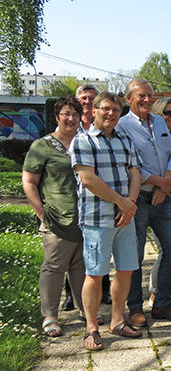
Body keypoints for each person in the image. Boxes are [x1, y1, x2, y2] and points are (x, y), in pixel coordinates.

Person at [69, 91, 142, 351]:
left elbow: (135, 174)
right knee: (95, 274)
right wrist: (122, 202)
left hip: (125, 218)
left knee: (126, 270)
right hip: (97, 219)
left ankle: (117, 321)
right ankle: (92, 327)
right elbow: (88, 179)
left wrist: (130, 204)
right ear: (94, 110)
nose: (111, 114)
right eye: (106, 109)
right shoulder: (83, 140)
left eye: (116, 110)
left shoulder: (125, 140)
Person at [117, 79, 171, 328]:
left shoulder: (159, 121)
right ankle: (135, 307)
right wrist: (160, 182)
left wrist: (164, 185)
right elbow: (130, 164)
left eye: (150, 95)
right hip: (137, 200)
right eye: (141, 95)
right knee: (134, 255)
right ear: (129, 99)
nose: (147, 100)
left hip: (162, 198)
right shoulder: (122, 126)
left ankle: (162, 304)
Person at [22, 97, 86, 338]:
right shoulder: (42, 146)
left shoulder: (84, 142)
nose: (71, 118)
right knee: (54, 267)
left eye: (75, 114)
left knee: (81, 266)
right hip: (56, 219)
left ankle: (85, 309)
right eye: (66, 113)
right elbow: (29, 181)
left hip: (84, 218)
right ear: (57, 116)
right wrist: (41, 212)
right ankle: (50, 316)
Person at [61, 85, 112, 309]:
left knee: (100, 248)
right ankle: (71, 295)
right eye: (84, 98)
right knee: (75, 250)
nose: (88, 102)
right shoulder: (71, 126)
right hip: (74, 195)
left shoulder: (105, 126)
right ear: (77, 100)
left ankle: (104, 291)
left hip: (101, 197)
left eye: (92, 98)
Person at [146, 98, 171, 310]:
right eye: (167, 113)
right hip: (162, 197)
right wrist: (161, 188)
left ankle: (164, 294)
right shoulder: (152, 140)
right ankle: (156, 294)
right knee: (166, 249)